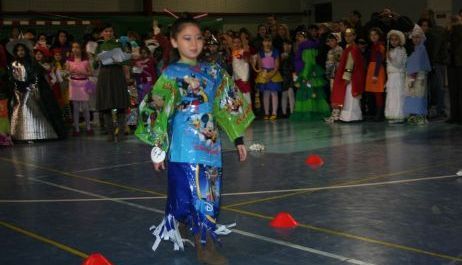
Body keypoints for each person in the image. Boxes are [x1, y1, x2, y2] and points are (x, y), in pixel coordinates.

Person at [135, 15, 254, 265]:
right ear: (174, 42)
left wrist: (238, 137)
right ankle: (203, 244)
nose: (194, 43)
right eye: (187, 38)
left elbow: (225, 106)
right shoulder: (171, 74)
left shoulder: (214, 71)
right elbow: (158, 109)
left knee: (208, 193)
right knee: (187, 193)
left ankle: (202, 238)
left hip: (210, 145)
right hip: (183, 145)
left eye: (198, 38)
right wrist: (159, 146)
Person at [6, 39, 66, 142]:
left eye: (22, 50)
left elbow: (37, 77)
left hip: (32, 90)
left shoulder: (32, 62)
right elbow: (13, 79)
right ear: (15, 52)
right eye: (18, 50)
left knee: (32, 107)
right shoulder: (13, 65)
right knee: (19, 107)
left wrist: (31, 87)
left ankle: (39, 133)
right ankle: (21, 135)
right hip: (19, 91)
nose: (20, 52)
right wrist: (19, 87)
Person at [95, 23, 131, 142]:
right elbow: (96, 64)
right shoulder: (99, 46)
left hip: (117, 75)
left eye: (110, 31)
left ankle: (121, 133)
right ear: (102, 33)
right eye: (106, 31)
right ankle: (110, 134)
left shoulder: (119, 44)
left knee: (120, 104)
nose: (109, 33)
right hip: (105, 76)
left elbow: (125, 60)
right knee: (106, 105)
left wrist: (118, 59)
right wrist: (97, 58)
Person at [329, 28, 365, 122]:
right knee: (348, 97)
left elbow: (350, 63)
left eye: (350, 36)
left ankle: (351, 116)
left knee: (350, 96)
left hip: (351, 77)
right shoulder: (349, 47)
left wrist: (347, 76)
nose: (347, 38)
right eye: (346, 36)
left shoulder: (353, 48)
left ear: (354, 36)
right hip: (351, 76)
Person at [291, 36, 330, 121]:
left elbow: (309, 63)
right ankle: (316, 111)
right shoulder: (307, 48)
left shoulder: (306, 48)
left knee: (308, 93)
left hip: (308, 74)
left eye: (300, 38)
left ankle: (310, 112)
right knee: (314, 94)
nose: (298, 40)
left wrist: (304, 76)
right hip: (310, 73)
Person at [404, 25, 432, 125]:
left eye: (418, 37)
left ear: (421, 38)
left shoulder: (422, 49)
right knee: (411, 94)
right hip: (411, 76)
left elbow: (419, 64)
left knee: (419, 94)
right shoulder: (413, 49)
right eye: (414, 37)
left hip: (419, 77)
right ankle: (413, 115)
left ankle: (420, 115)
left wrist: (413, 76)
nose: (416, 39)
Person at [66, 41, 93, 136]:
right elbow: (66, 72)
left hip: (84, 82)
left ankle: (88, 127)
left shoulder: (86, 61)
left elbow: (91, 73)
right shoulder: (69, 61)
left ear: (81, 49)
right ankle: (76, 128)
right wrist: (68, 73)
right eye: (73, 47)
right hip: (73, 84)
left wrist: (83, 73)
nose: (75, 49)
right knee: (76, 108)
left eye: (77, 47)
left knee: (86, 107)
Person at [254, 34, 283, 120]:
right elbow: (259, 65)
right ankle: (266, 112)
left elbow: (277, 65)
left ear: (271, 42)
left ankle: (274, 112)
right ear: (263, 42)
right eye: (265, 41)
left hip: (274, 73)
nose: (267, 43)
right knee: (265, 94)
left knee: (274, 93)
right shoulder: (260, 52)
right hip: (264, 73)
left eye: (269, 41)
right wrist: (263, 72)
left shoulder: (275, 51)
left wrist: (272, 74)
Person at [384, 30, 407, 123]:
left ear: (400, 40)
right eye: (392, 40)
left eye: (396, 40)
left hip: (398, 76)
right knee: (391, 96)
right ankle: (392, 115)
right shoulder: (391, 50)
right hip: (391, 76)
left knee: (398, 95)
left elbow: (399, 64)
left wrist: (390, 58)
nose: (393, 41)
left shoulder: (401, 50)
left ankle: (399, 115)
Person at [364, 27, 386, 121]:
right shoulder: (373, 46)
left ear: (379, 36)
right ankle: (376, 112)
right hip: (372, 69)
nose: (373, 37)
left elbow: (379, 60)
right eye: (371, 35)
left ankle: (379, 114)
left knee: (378, 93)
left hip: (377, 69)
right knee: (373, 92)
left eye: (375, 35)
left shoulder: (380, 46)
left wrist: (376, 74)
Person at [447, 16, 462, 124]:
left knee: (454, 92)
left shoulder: (450, 32)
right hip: (455, 64)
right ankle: (457, 116)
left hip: (454, 64)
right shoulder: (449, 32)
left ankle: (455, 116)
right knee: (456, 91)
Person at [231, 35, 251, 105]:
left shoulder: (243, 51)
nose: (236, 44)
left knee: (246, 98)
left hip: (243, 79)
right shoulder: (233, 52)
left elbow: (247, 60)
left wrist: (246, 49)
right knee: (237, 98)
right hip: (235, 79)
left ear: (241, 43)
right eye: (234, 42)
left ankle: (248, 114)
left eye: (238, 42)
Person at [280, 39, 295, 118]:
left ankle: (292, 111)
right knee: (284, 94)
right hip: (283, 77)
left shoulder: (293, 55)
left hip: (291, 76)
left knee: (291, 93)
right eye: (285, 45)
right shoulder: (281, 55)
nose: (287, 46)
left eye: (289, 45)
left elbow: (294, 66)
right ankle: (284, 112)